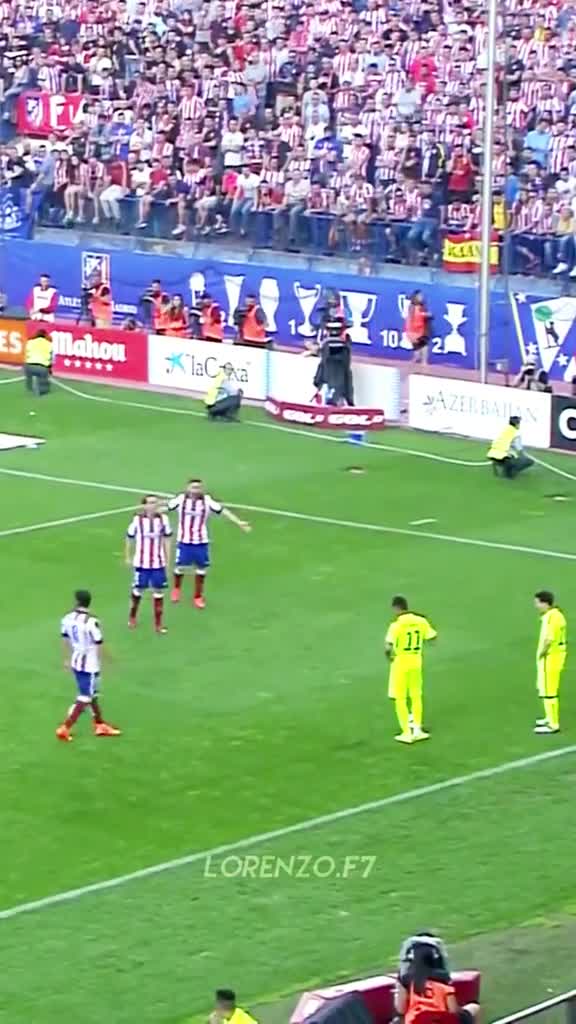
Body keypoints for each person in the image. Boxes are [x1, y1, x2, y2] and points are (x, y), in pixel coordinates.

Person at [168, 478, 251, 609]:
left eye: (198, 488)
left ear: (202, 489)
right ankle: (176, 589)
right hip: (184, 541)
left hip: (201, 542)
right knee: (180, 567)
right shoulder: (180, 499)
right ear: (187, 488)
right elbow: (167, 507)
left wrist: (239, 522)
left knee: (201, 569)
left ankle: (198, 596)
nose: (195, 490)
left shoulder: (207, 501)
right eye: (193, 487)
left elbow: (223, 511)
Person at [57, 589, 121, 742]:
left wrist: (66, 659)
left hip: (76, 661)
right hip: (90, 665)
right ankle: (65, 727)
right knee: (85, 697)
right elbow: (99, 643)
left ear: (76, 601)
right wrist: (108, 660)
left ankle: (99, 724)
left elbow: (65, 639)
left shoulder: (67, 618)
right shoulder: (92, 622)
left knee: (92, 694)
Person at [385, 595, 437, 744]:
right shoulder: (421, 621)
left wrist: (389, 658)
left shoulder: (396, 625)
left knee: (400, 698)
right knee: (416, 695)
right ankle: (418, 731)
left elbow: (388, 647)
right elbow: (432, 637)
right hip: (416, 660)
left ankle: (406, 733)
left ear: (396, 608)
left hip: (401, 662)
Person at [395, 939, 480, 1024]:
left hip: (416, 1021)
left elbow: (401, 1010)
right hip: (440, 1020)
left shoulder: (407, 981)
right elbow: (453, 1011)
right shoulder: (443, 981)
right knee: (473, 1007)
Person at [125, 496, 172, 634]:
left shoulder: (164, 519)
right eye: (150, 503)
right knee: (138, 590)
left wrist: (168, 560)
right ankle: (132, 617)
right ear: (144, 506)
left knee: (159, 592)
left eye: (155, 502)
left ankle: (158, 624)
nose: (153, 505)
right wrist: (128, 556)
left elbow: (167, 539)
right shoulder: (137, 520)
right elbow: (129, 537)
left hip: (158, 563)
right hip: (141, 563)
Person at [534, 590, 567, 735]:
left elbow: (549, 639)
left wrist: (542, 653)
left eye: (537, 603)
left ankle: (553, 725)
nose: (536, 606)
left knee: (549, 692)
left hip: (550, 658)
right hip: (555, 656)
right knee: (547, 689)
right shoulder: (556, 614)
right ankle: (549, 718)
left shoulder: (551, 618)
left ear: (545, 603)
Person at [404, 290, 432, 364]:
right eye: (419, 296)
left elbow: (423, 315)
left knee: (423, 345)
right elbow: (414, 316)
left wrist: (426, 315)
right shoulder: (412, 307)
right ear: (415, 297)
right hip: (414, 330)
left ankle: (423, 361)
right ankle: (417, 359)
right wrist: (424, 315)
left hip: (422, 329)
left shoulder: (422, 306)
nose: (421, 297)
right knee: (417, 347)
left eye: (421, 296)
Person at [24, 327, 53, 396]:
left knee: (28, 374)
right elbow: (51, 358)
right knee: (44, 380)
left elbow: (26, 354)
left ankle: (30, 386)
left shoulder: (30, 342)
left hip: (29, 366)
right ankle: (41, 389)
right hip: (42, 367)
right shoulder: (49, 344)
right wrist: (50, 369)